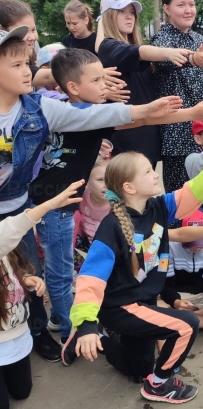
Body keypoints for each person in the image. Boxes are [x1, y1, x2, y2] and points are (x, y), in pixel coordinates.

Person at [0, 27, 171, 362]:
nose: (28, 72)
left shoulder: (37, 109)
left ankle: (40, 332)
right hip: (42, 204)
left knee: (28, 276)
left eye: (27, 64)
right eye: (17, 65)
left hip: (24, 206)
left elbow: (100, 115)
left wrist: (146, 109)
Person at [30, 47, 203, 345]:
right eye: (97, 80)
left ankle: (64, 319)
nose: (104, 85)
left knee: (63, 267)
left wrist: (191, 114)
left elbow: (141, 120)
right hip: (54, 203)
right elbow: (139, 115)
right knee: (61, 271)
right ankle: (72, 331)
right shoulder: (78, 112)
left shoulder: (88, 111)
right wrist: (176, 111)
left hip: (58, 199)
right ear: (72, 87)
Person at [65, 129, 203, 402]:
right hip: (122, 306)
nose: (155, 174)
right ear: (129, 188)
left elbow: (195, 190)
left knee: (138, 368)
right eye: (147, 172)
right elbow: (90, 278)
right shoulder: (111, 227)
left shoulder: (158, 207)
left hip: (145, 301)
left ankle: (99, 341)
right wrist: (85, 321)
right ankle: (158, 385)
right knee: (186, 326)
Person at [96, 0, 203, 168]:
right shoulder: (110, 48)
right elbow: (139, 51)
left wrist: (192, 59)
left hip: (148, 140)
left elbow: (148, 57)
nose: (129, 16)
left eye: (131, 12)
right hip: (126, 143)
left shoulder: (134, 52)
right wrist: (168, 53)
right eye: (121, 12)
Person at [0, 181, 83, 409]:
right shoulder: (5, 231)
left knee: (22, 391)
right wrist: (48, 205)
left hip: (14, 332)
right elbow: (11, 229)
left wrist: (25, 279)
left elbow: (7, 257)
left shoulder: (5, 236)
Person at [151, 0, 203, 191]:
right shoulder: (161, 38)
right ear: (167, 8)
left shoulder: (200, 39)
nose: (188, 10)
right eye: (181, 5)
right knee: (180, 195)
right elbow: (166, 59)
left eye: (191, 4)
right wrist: (193, 58)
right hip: (177, 133)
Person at [73, 158, 109, 274]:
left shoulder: (117, 203)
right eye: (100, 180)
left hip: (105, 244)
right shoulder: (82, 193)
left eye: (110, 179)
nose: (106, 185)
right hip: (84, 239)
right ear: (87, 181)